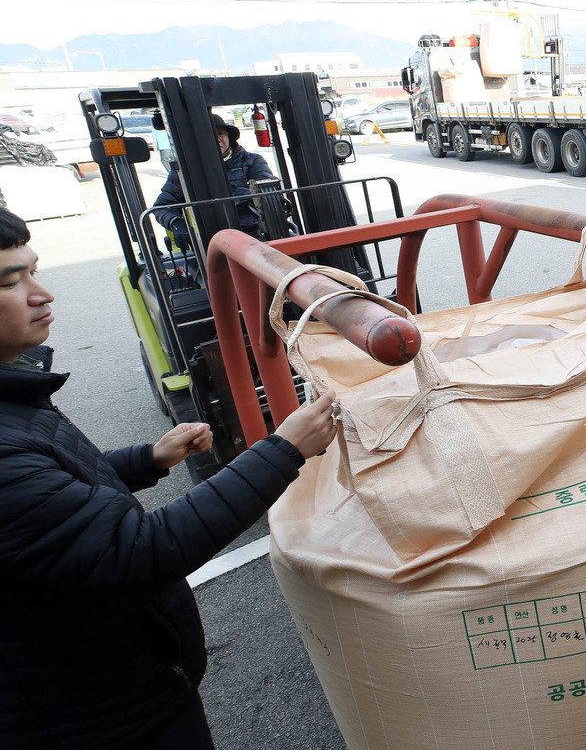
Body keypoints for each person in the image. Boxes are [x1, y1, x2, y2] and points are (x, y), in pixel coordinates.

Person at [0, 205, 338, 749]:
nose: (43, 294)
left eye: (34, 272)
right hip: (97, 717)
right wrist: (284, 449)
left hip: (110, 685)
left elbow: (49, 496)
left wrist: (146, 460)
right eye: (10, 281)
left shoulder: (12, 397)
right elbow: (136, 551)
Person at [152, 113, 277, 249]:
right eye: (210, 134)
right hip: (210, 241)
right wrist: (176, 222)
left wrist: (239, 196)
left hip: (253, 235)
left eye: (221, 133)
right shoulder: (185, 170)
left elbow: (268, 196)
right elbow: (163, 206)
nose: (217, 139)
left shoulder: (252, 161)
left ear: (229, 137)